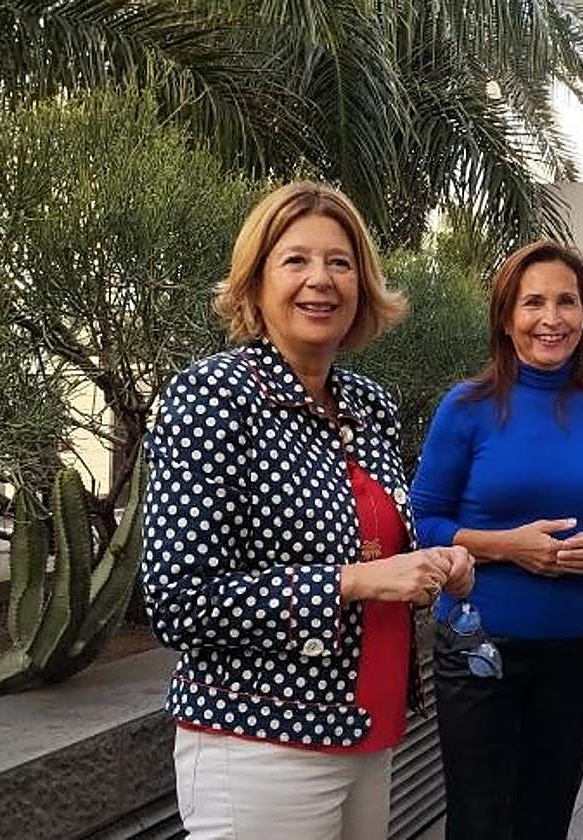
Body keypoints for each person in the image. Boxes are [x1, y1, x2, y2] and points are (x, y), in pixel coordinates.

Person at [141, 181, 474, 839]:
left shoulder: (369, 404)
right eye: (296, 260)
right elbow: (177, 601)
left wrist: (430, 569)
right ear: (256, 280)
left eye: (340, 262)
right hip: (262, 739)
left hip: (369, 729)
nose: (320, 280)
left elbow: (372, 547)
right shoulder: (211, 397)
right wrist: (353, 582)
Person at [410, 240, 583, 840]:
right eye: (533, 302)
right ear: (507, 318)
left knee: (546, 818)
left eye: (567, 301)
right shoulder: (468, 407)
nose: (551, 318)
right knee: (480, 822)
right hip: (482, 642)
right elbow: (424, 522)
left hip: (579, 642)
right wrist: (509, 546)